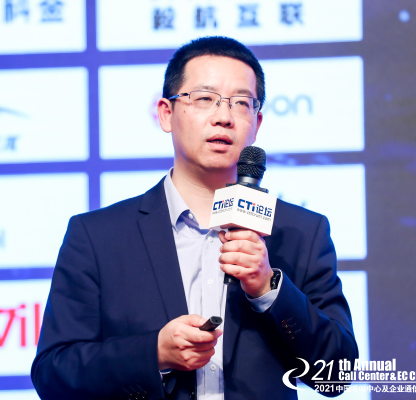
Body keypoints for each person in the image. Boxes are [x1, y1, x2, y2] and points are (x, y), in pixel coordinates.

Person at [31, 36, 358, 400]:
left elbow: (337, 377)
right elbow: (53, 374)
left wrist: (269, 288)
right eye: (204, 98)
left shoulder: (302, 233)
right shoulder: (97, 236)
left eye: (241, 103)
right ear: (166, 114)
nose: (224, 117)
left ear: (257, 122)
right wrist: (153, 353)